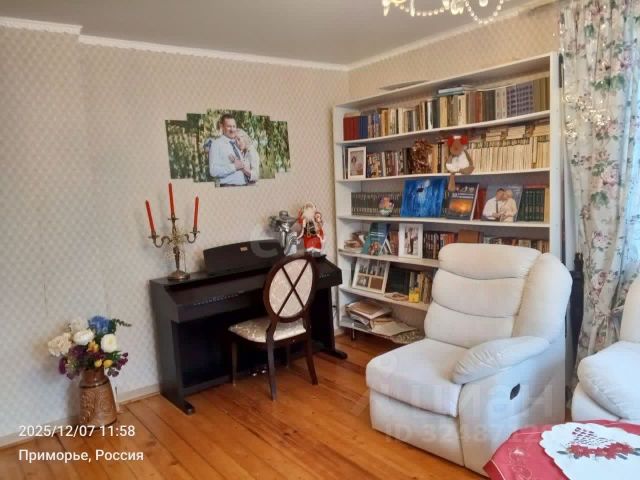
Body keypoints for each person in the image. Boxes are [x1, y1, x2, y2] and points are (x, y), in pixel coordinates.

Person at [208, 114, 254, 186]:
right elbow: (213, 171)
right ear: (222, 126)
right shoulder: (216, 144)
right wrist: (234, 167)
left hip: (245, 186)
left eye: (234, 126)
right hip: (229, 187)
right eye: (229, 126)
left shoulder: (237, 144)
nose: (232, 130)